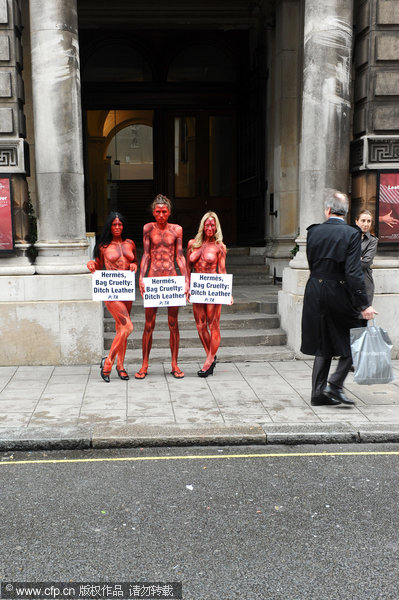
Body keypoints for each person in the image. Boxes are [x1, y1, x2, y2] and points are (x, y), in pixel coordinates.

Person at [301, 189, 378, 407]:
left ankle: (317, 393)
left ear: (327, 210)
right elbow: (353, 272)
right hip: (338, 290)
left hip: (314, 289)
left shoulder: (313, 231)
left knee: (323, 340)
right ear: (345, 213)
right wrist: (364, 304)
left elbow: (311, 262)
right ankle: (334, 385)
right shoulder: (351, 233)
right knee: (357, 337)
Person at [135, 194, 189, 380]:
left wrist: (186, 279)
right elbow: (147, 255)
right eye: (157, 212)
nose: (160, 215)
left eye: (164, 212)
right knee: (149, 324)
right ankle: (144, 364)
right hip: (154, 278)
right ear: (153, 212)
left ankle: (174, 363)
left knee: (173, 324)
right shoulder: (148, 229)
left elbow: (180, 255)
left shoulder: (177, 230)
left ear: (169, 212)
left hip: (171, 279)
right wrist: (141, 278)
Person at [87, 211, 138, 382]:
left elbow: (135, 261)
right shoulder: (103, 246)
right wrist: (91, 264)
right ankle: (108, 362)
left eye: (120, 224)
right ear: (110, 226)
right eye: (114, 224)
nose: (117, 227)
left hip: (126, 289)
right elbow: (97, 264)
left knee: (121, 329)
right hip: (111, 290)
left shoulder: (130, 243)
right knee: (127, 327)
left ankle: (121, 366)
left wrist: (134, 265)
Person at [187, 211, 231, 377]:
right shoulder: (193, 244)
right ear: (202, 226)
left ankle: (209, 360)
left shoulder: (220, 247)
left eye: (213, 224)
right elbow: (187, 267)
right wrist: (187, 286)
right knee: (200, 325)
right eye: (207, 224)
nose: (210, 227)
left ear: (216, 226)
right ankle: (210, 357)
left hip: (213, 287)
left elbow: (222, 270)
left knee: (213, 325)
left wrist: (228, 292)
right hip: (198, 288)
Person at [355, 210, 378, 304]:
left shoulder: (373, 240)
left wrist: (351, 259)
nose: (366, 224)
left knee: (363, 316)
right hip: (348, 282)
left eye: (369, 221)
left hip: (365, 283)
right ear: (356, 221)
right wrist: (358, 258)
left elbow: (366, 262)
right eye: (363, 220)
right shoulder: (349, 237)